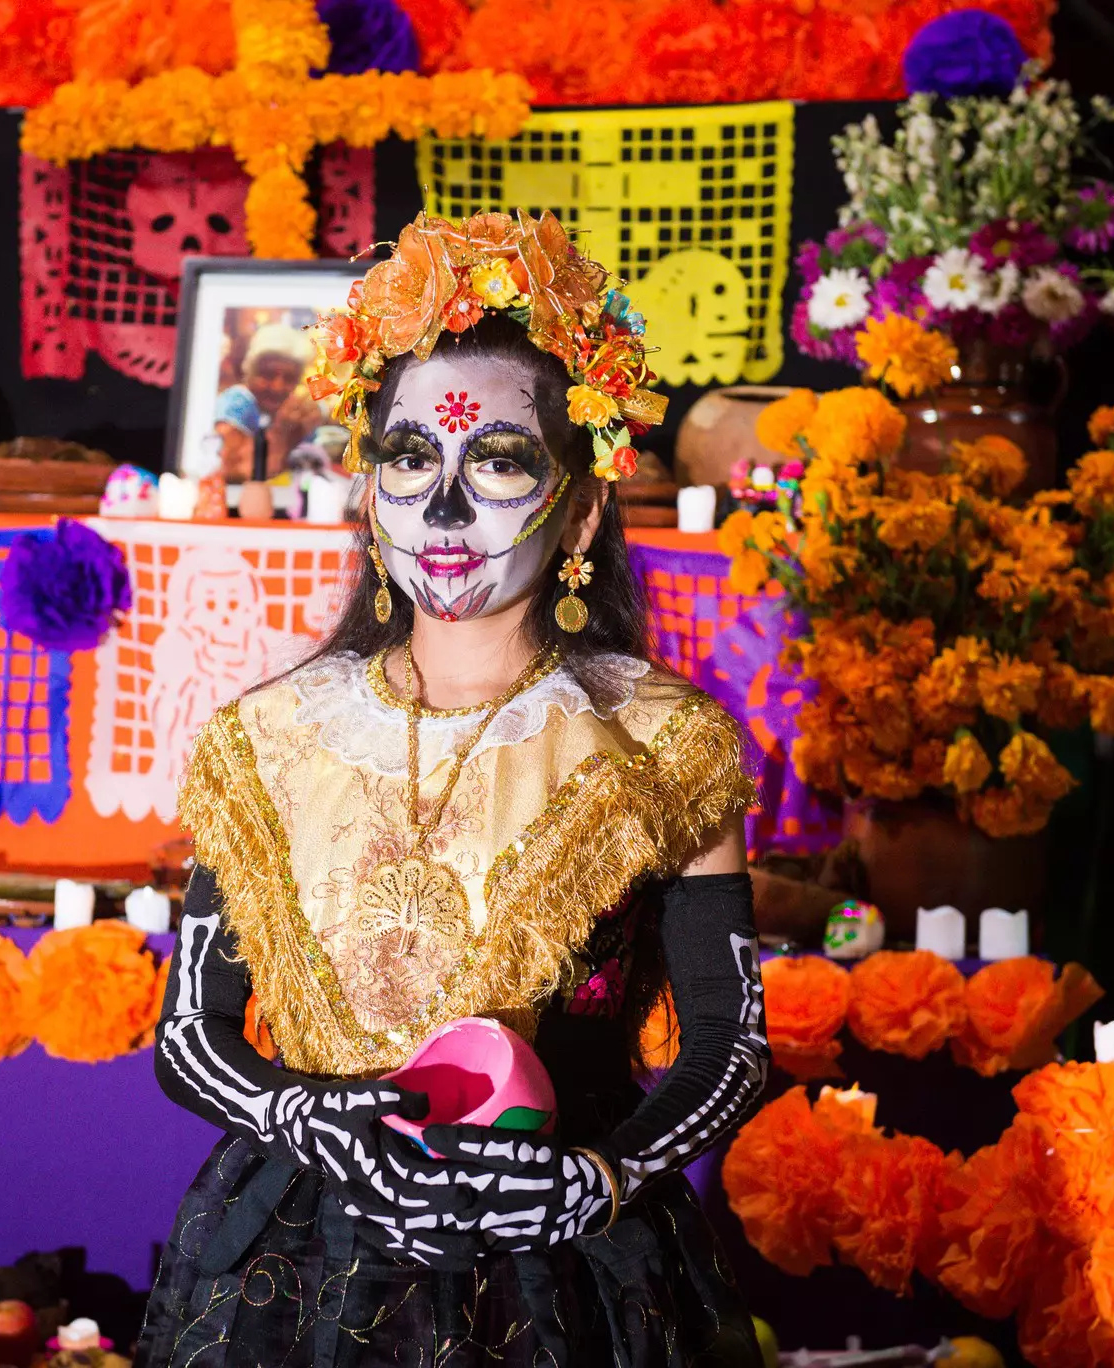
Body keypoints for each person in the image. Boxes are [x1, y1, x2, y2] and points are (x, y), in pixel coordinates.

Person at [139, 211, 768, 1367]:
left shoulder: (660, 742)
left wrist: (598, 1181)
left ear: (579, 510)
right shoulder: (266, 738)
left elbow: (729, 1045)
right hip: (297, 1255)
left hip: (562, 1266)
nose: (440, 509)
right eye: (409, 458)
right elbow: (190, 1035)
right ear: (368, 493)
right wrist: (302, 1114)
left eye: (496, 462)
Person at [211, 321, 324, 481]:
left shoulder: (294, 408)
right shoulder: (235, 403)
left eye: (289, 378)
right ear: (249, 371)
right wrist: (282, 432)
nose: (277, 387)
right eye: (268, 375)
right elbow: (238, 470)